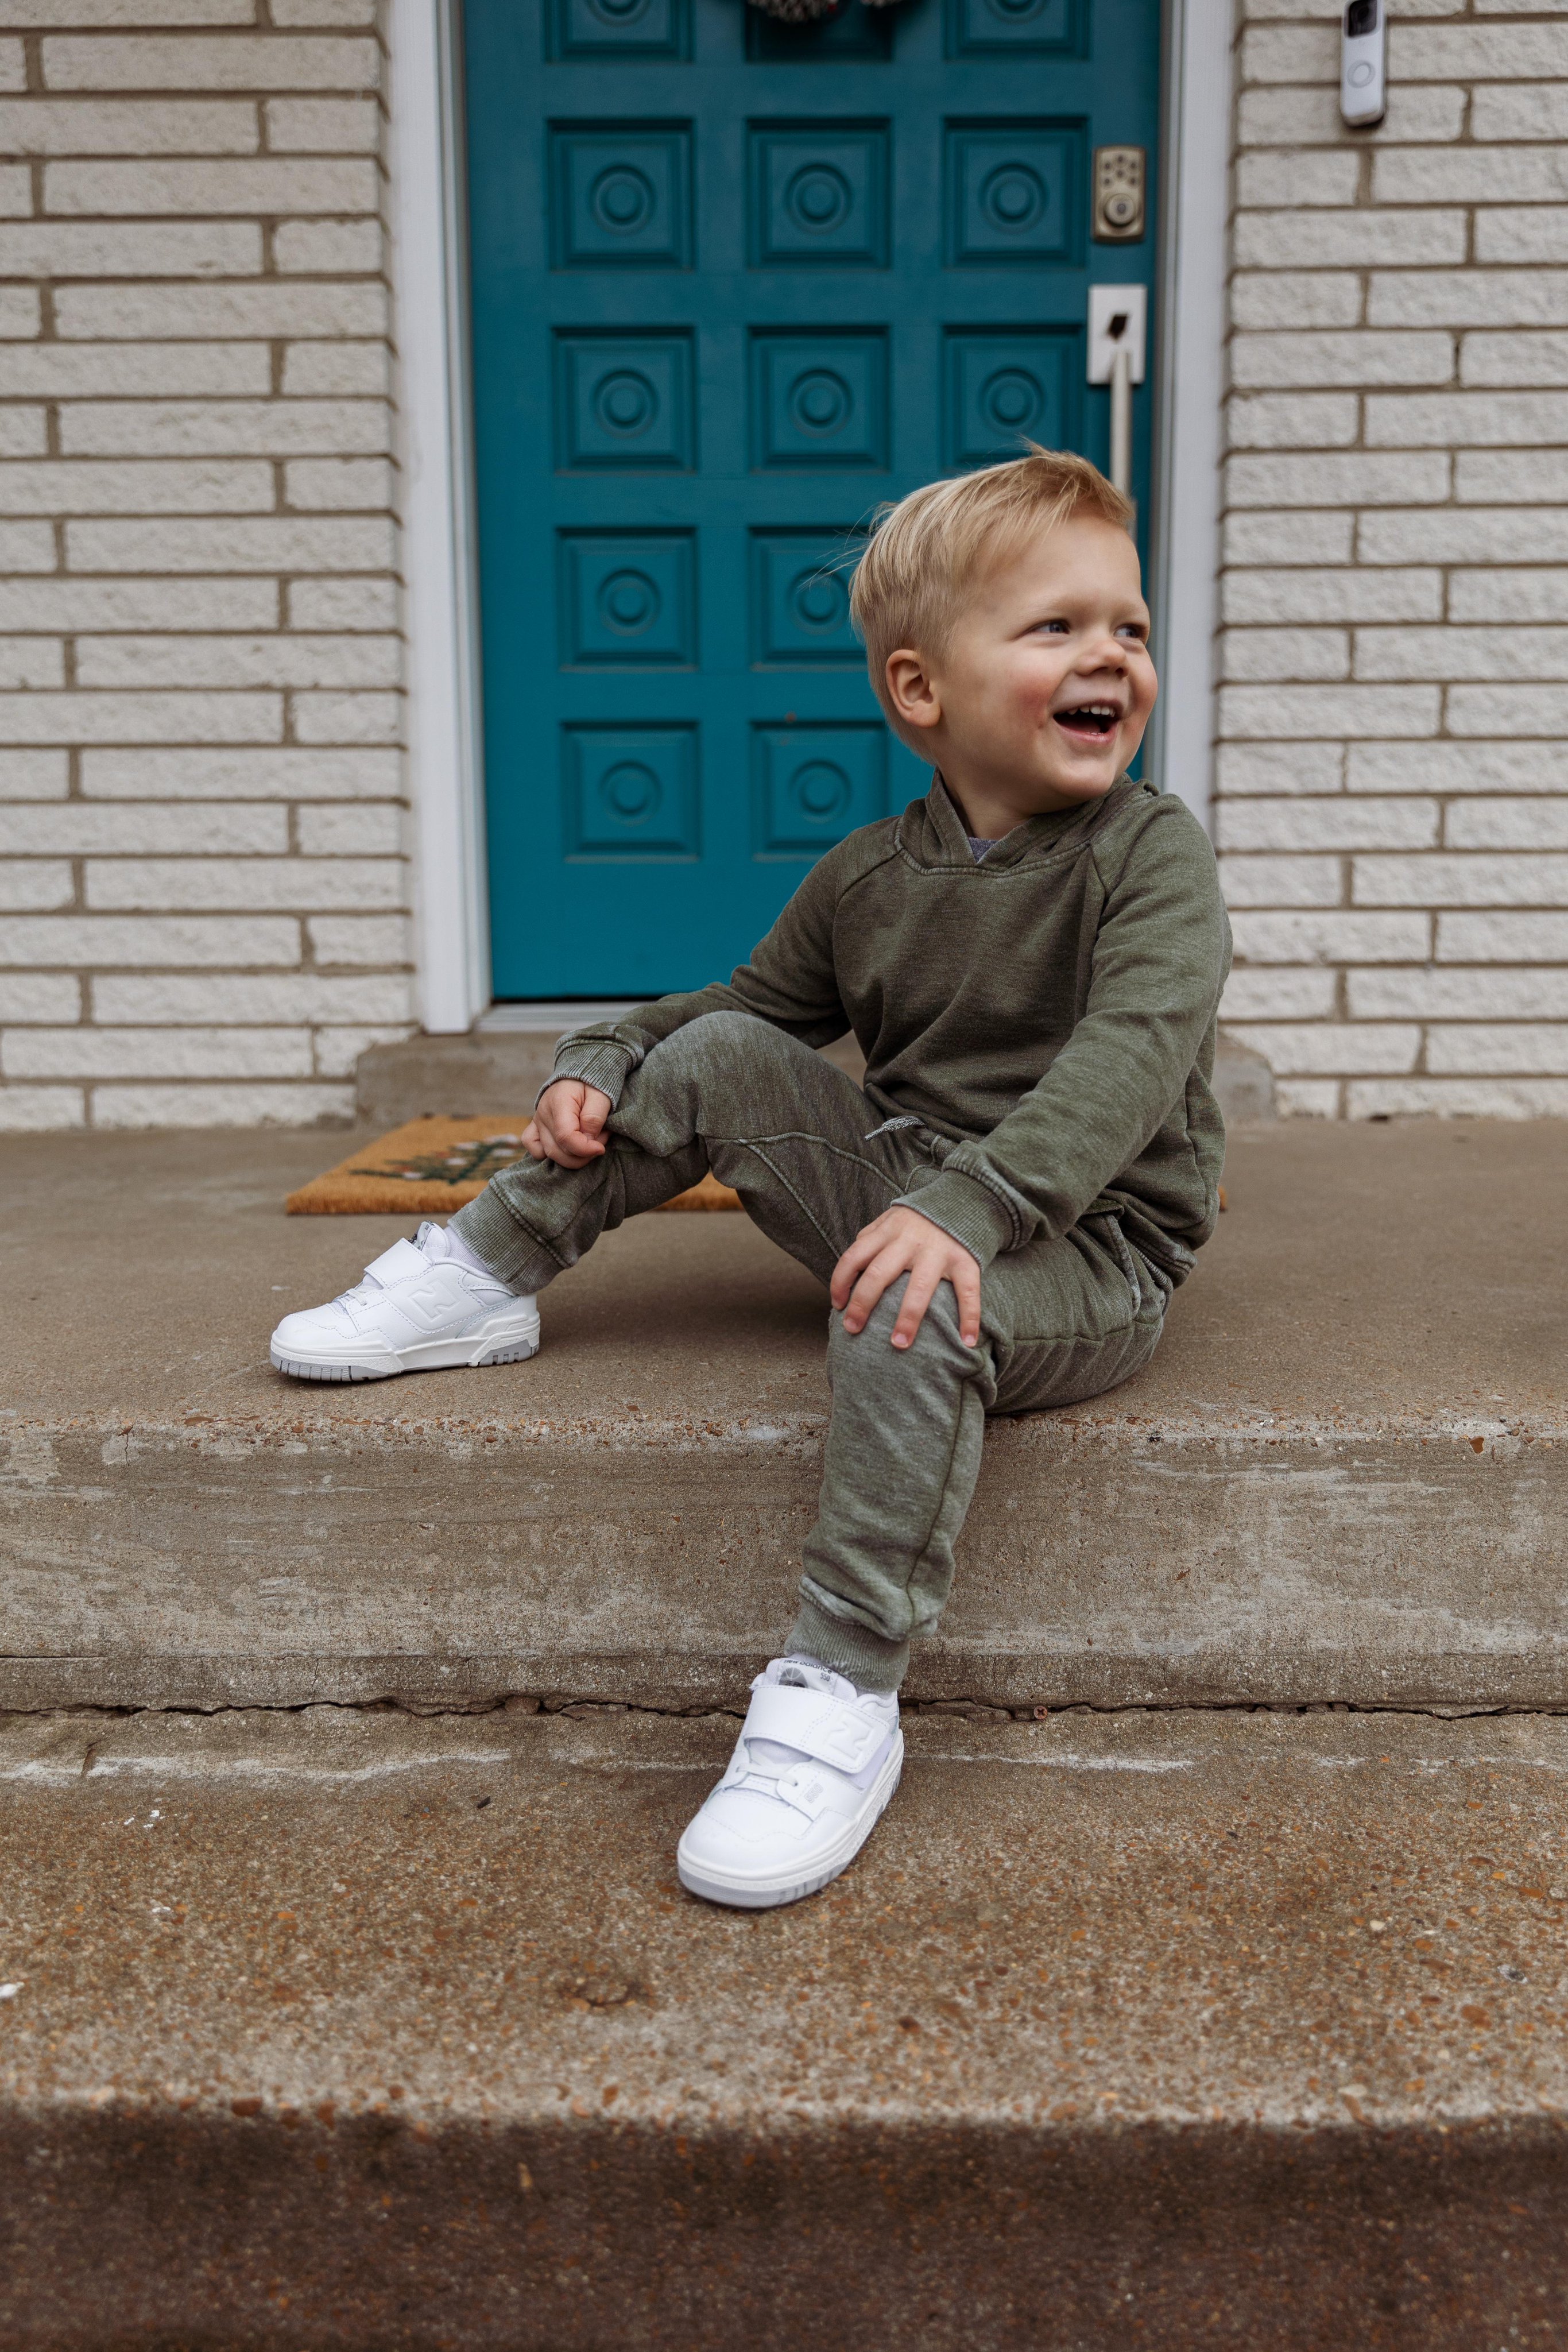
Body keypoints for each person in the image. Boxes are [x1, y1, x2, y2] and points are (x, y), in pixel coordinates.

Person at [270, 447, 1231, 1914]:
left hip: (1083, 1247)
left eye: (1131, 628)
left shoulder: (1149, 854)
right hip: (910, 1180)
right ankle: (483, 1275)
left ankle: (842, 1690)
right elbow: (729, 1012)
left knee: (913, 1304)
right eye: (1055, 627)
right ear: (920, 690)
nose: (1110, 654)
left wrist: (967, 1211)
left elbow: (1130, 1058)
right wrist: (598, 1059)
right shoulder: (867, 874)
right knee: (716, 1050)